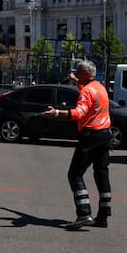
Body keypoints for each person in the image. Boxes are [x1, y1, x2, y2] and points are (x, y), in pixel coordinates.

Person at [42, 59, 112, 230]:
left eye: (79, 72)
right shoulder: (99, 87)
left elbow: (80, 113)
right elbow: (88, 95)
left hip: (91, 137)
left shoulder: (87, 91)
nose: (76, 75)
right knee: (101, 174)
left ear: (86, 74)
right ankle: (103, 216)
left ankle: (84, 214)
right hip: (105, 135)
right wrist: (76, 81)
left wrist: (56, 112)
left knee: (75, 174)